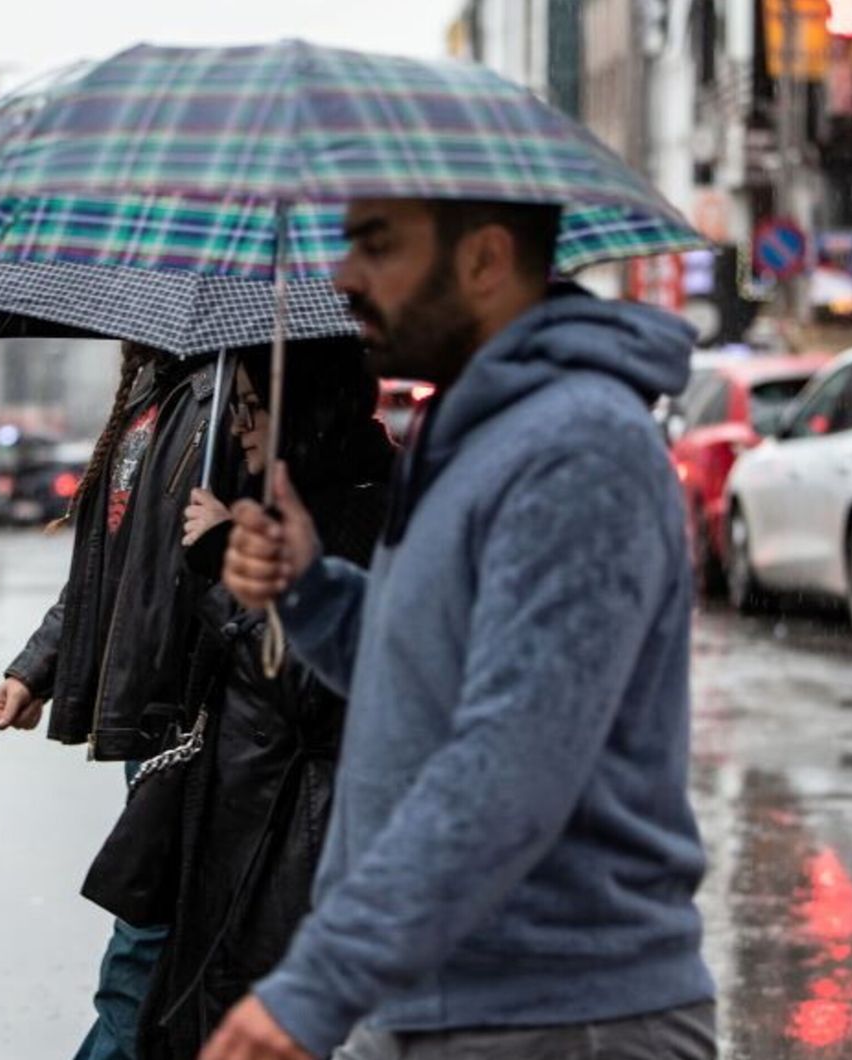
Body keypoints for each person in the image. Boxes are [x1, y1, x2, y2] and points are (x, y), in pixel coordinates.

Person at [207, 198, 718, 1060]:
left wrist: (318, 985)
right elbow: (427, 673)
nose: (344, 277)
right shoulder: (469, 434)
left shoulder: (576, 444)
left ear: (484, 260)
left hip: (551, 1017)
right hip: (436, 1002)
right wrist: (310, 591)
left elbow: (512, 758)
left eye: (378, 246)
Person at [140, 342, 394, 1060]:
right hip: (247, 828)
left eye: (255, 409)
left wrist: (226, 573)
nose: (241, 426)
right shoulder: (275, 500)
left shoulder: (364, 508)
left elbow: (312, 692)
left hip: (294, 843)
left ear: (303, 409)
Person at [0, 341, 221, 1060]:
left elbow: (213, 574)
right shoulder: (155, 397)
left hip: (198, 716)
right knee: (158, 946)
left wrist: (227, 539)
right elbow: (110, 567)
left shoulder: (221, 399)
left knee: (145, 949)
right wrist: (37, 669)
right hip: (160, 723)